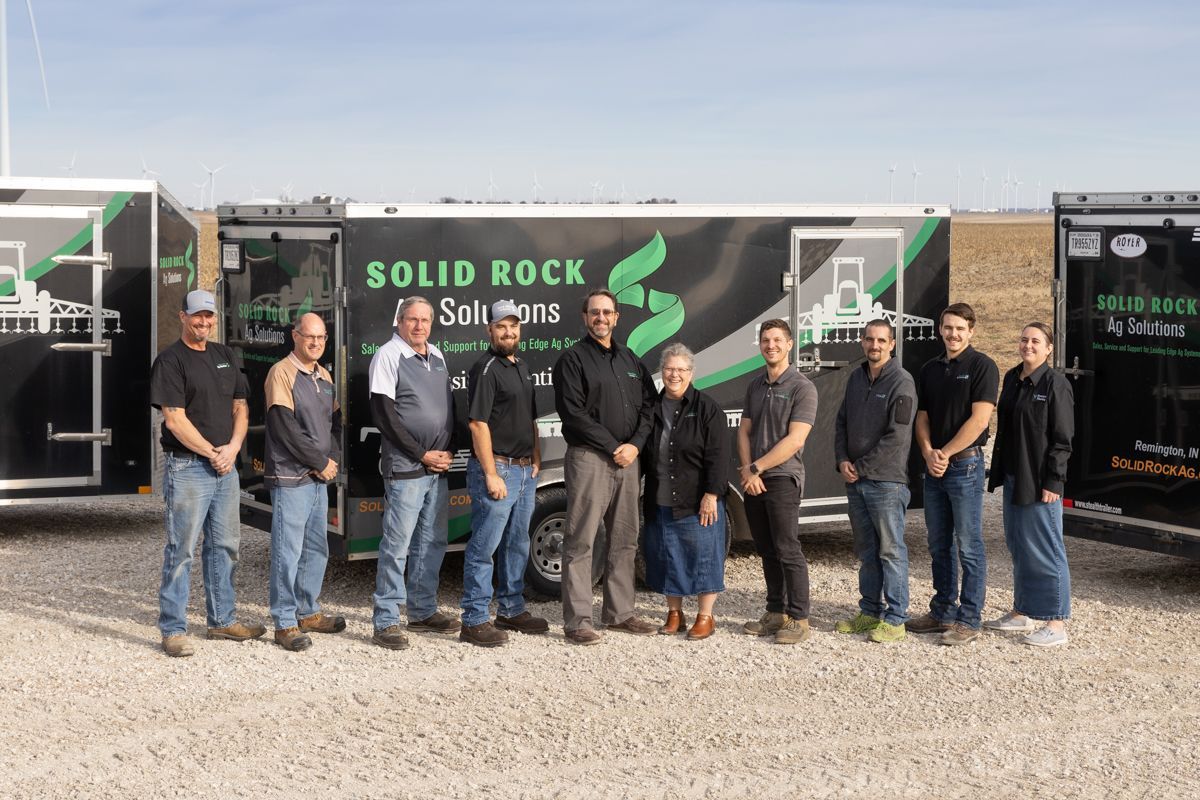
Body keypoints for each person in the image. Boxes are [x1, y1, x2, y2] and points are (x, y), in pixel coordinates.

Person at [151, 289, 265, 657]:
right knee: (181, 549)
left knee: (225, 546)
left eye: (209, 316)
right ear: (182, 316)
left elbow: (241, 407)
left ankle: (222, 621)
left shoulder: (224, 355)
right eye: (197, 315)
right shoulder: (170, 361)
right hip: (188, 466)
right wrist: (212, 452)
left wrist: (231, 449)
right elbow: (174, 419)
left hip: (224, 466)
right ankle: (173, 628)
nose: (204, 322)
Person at [552, 288, 658, 645]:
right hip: (590, 459)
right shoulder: (572, 360)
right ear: (585, 318)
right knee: (581, 540)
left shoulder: (630, 359)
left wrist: (635, 445)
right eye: (594, 312)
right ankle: (578, 621)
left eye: (607, 312)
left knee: (625, 539)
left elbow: (650, 407)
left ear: (617, 318)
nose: (601, 318)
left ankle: (619, 613)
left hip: (629, 461)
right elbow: (574, 414)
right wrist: (615, 446)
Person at [368, 296, 459, 650]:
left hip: (437, 467)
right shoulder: (388, 356)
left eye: (425, 320)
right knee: (397, 544)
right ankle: (386, 619)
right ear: (399, 321)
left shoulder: (437, 356)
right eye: (412, 319)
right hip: (406, 467)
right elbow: (384, 416)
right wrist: (422, 453)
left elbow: (446, 410)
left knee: (432, 542)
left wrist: (446, 452)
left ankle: (422, 612)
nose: (419, 326)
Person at [459, 300, 550, 647]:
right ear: (489, 330)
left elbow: (530, 419)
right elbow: (477, 423)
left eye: (513, 326)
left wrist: (536, 459)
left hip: (525, 471)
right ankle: (474, 619)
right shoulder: (486, 368)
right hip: (497, 469)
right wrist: (490, 474)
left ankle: (511, 609)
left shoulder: (522, 366)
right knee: (484, 545)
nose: (508, 332)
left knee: (517, 543)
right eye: (501, 326)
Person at [909, 302, 999, 646]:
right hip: (935, 468)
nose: (953, 334)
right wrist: (929, 451)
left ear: (971, 331)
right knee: (938, 544)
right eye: (948, 327)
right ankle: (942, 611)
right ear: (940, 330)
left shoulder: (982, 366)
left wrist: (944, 453)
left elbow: (979, 420)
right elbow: (923, 418)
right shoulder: (931, 368)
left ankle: (969, 618)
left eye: (960, 328)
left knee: (969, 546)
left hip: (965, 465)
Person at [984, 322, 1074, 647]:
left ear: (1049, 348)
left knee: (1048, 549)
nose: (1028, 346)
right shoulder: (1012, 378)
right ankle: (1023, 611)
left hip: (1040, 483)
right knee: (1019, 545)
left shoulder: (1055, 384)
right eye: (1024, 340)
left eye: (1036, 341)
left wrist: (1054, 479)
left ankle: (1057, 622)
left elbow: (1063, 439)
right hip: (1013, 476)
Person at [263, 313, 345, 652]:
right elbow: (284, 426)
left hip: (317, 477)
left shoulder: (324, 376)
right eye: (309, 337)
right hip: (291, 476)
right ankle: (284, 622)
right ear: (295, 336)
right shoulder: (281, 373)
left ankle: (308, 611)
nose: (316, 343)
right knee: (288, 549)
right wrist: (318, 462)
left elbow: (335, 423)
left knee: (315, 547)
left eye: (321, 337)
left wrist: (332, 461)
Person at [834, 320, 917, 644]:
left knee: (890, 551)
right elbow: (841, 421)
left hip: (886, 482)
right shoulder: (856, 377)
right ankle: (869, 613)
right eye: (869, 339)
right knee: (867, 552)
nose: (875, 345)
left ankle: (896, 619)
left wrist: (862, 466)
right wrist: (843, 460)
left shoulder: (902, 381)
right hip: (856, 480)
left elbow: (898, 436)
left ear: (892, 344)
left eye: (881, 340)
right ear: (862, 341)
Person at [641, 343, 729, 641]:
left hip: (697, 499)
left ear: (691, 373)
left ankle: (705, 616)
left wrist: (712, 495)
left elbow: (719, 455)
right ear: (661, 372)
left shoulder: (707, 408)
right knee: (668, 556)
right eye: (669, 369)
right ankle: (675, 614)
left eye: (681, 369)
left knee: (704, 556)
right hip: (661, 497)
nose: (674, 374)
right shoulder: (651, 408)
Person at [738, 319, 818, 645]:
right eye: (765, 340)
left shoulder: (802, 387)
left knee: (787, 549)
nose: (770, 345)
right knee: (766, 549)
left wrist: (756, 468)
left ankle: (799, 617)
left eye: (777, 340)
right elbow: (744, 430)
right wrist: (747, 470)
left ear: (789, 345)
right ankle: (775, 612)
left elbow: (795, 440)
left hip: (783, 477)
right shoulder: (755, 386)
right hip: (754, 478)